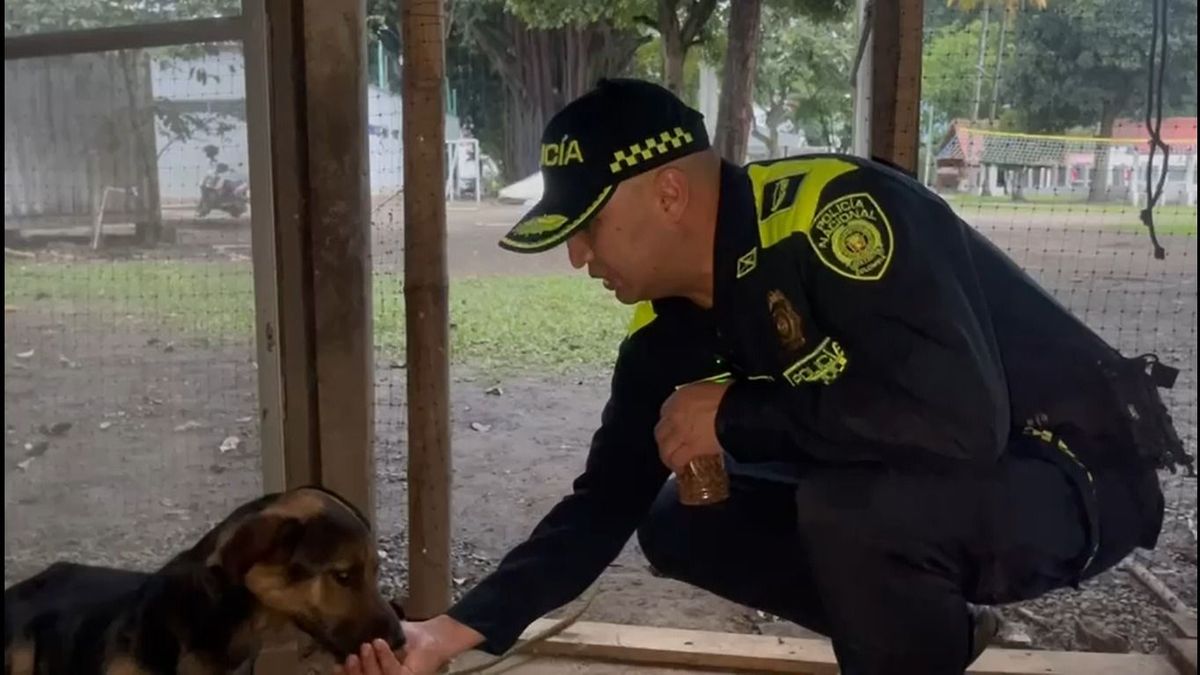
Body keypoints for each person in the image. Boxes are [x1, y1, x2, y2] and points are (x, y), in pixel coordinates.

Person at [340, 79, 1187, 675]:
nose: (577, 256)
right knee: (680, 520)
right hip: (945, 482)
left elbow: (958, 417)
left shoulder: (835, 216)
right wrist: (448, 633)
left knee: (851, 507)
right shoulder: (664, 332)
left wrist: (736, 414)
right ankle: (935, 637)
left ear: (669, 193)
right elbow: (602, 503)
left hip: (1071, 469)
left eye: (589, 225)